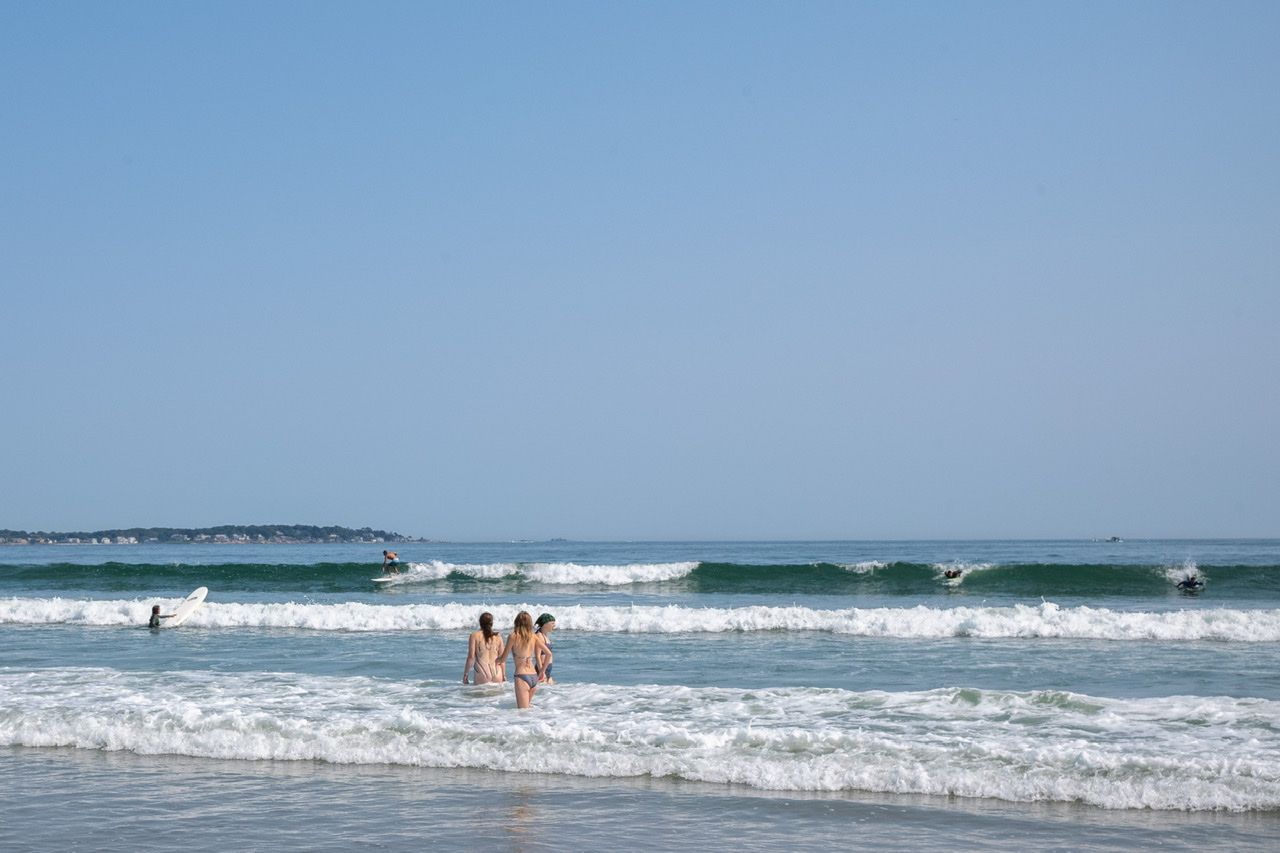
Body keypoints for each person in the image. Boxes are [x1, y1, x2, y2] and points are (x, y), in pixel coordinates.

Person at [499, 611, 552, 709]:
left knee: (522, 712)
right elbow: (548, 654)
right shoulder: (534, 636)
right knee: (527, 712)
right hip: (533, 676)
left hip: (521, 676)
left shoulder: (513, 636)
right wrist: (542, 671)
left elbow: (503, 658)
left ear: (516, 622)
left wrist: (495, 661)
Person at [463, 612, 505, 684]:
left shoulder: (474, 636)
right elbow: (502, 659)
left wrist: (465, 674)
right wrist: (504, 675)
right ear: (492, 623)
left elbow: (471, 657)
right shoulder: (498, 637)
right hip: (498, 674)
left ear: (480, 623)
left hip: (482, 675)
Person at [534, 613, 557, 684]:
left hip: (547, 668)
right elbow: (537, 656)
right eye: (552, 623)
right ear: (545, 624)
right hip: (542, 668)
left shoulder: (545, 635)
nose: (554, 625)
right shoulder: (539, 636)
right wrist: (542, 672)